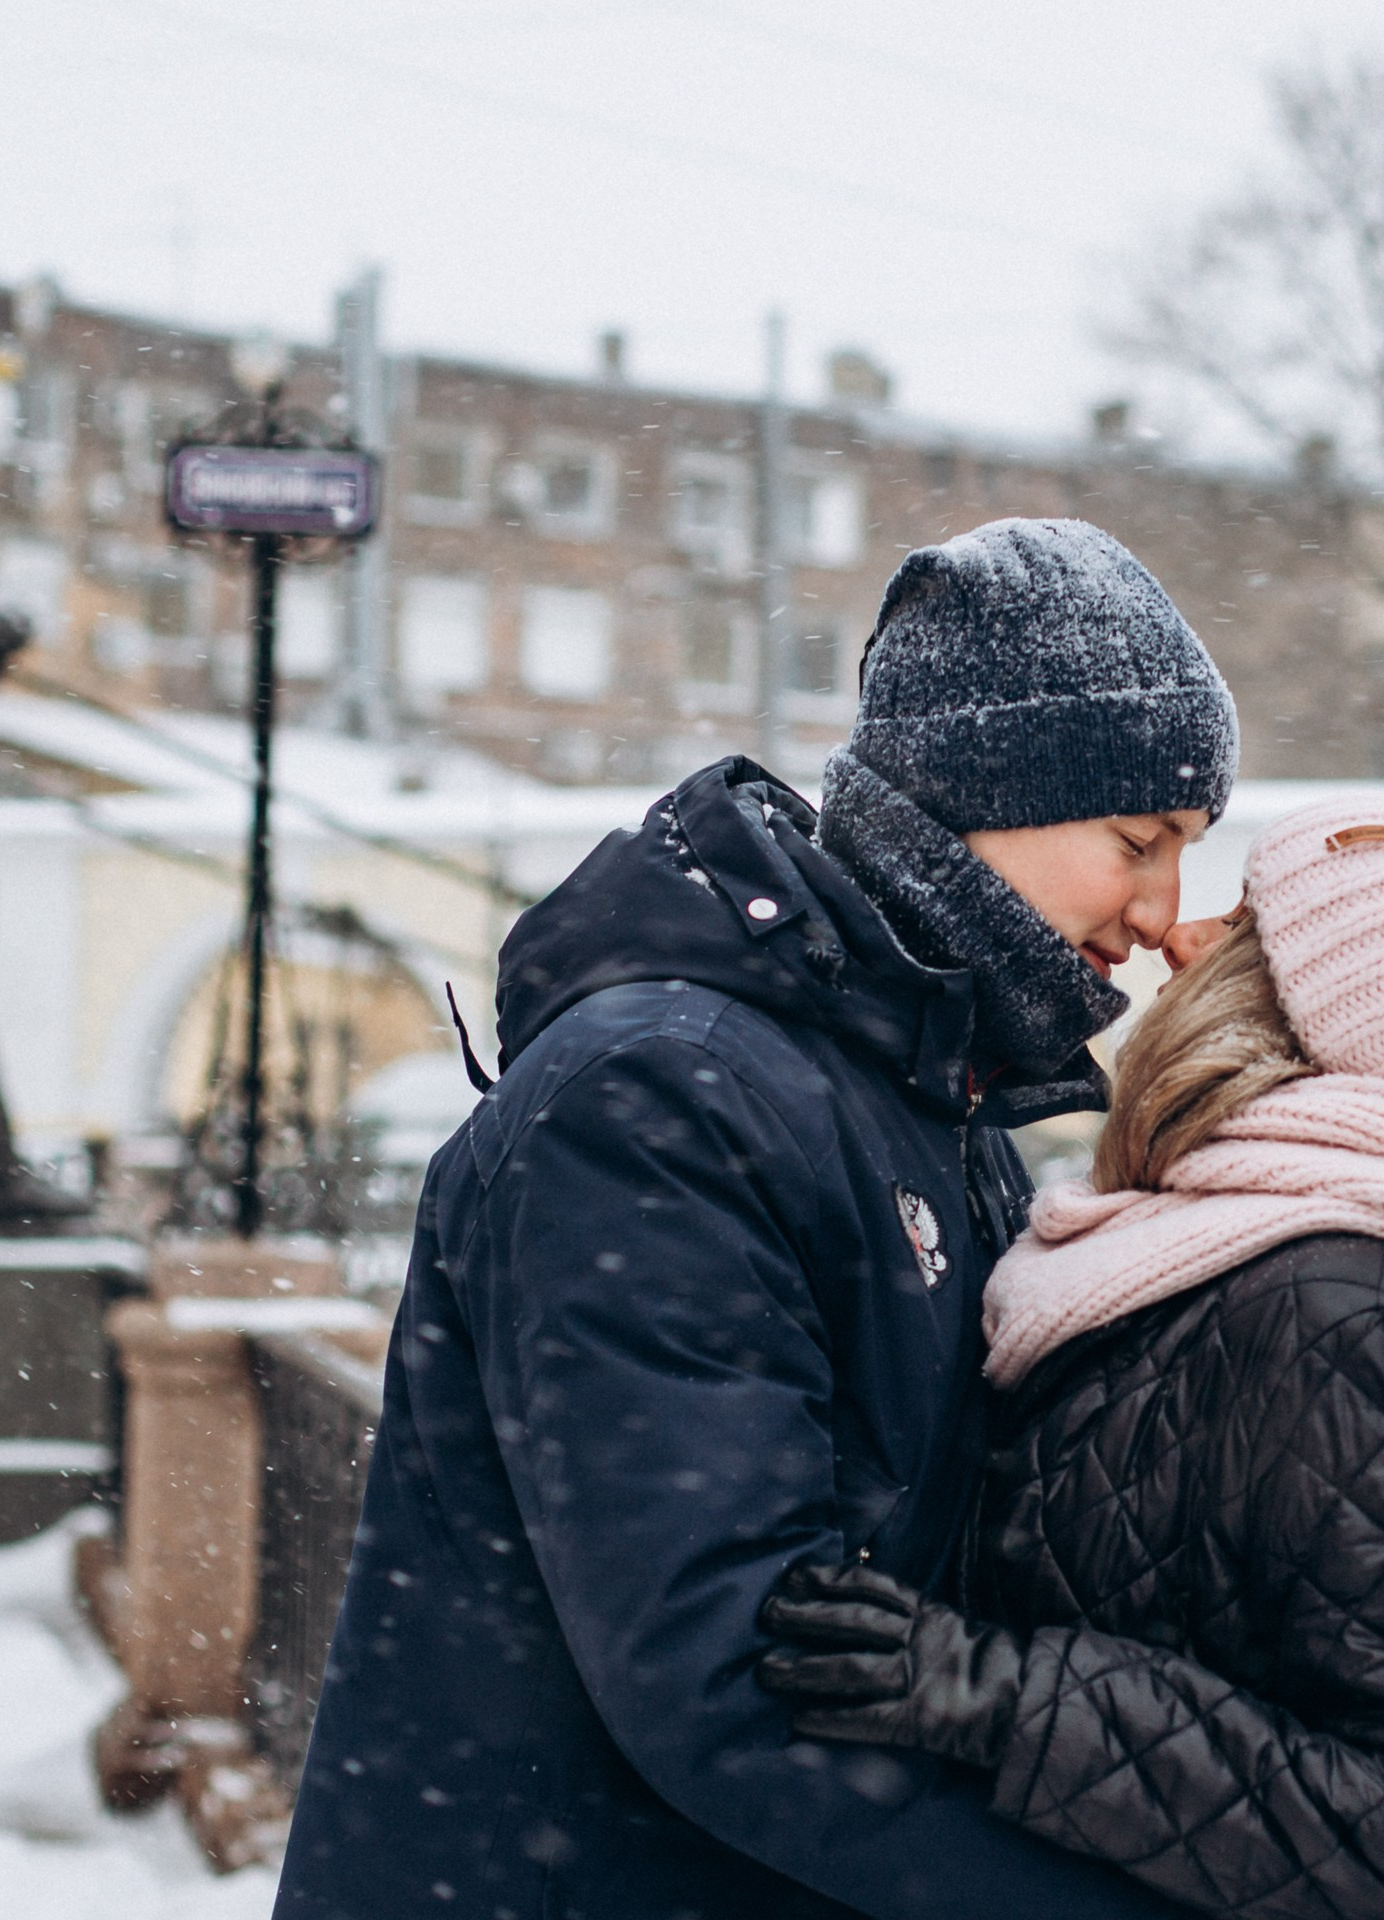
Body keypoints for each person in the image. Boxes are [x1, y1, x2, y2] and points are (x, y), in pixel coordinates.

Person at [276, 519, 1237, 1919]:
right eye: (1138, 841)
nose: (1162, 912)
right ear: (986, 793)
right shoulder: (661, 1098)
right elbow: (733, 1673)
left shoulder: (918, 1103)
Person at [760, 797, 1384, 1920]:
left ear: (1309, 1016)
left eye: (1244, 927)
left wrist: (1009, 1701)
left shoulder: (1346, 1322)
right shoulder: (1178, 1261)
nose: (1180, 939)